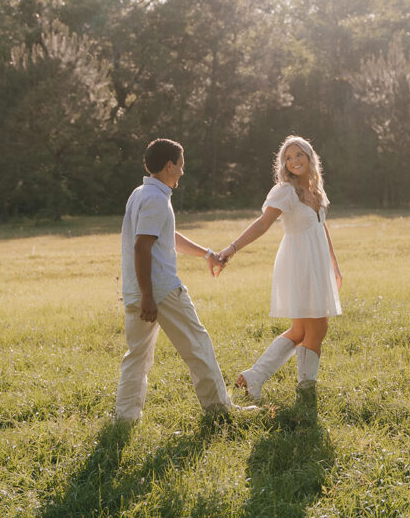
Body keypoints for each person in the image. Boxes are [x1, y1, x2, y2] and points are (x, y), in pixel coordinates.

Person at [115, 138, 253, 421]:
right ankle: (220, 411)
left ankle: (124, 419)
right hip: (160, 290)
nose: (182, 171)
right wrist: (148, 295)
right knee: (198, 345)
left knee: (137, 357)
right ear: (169, 165)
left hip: (137, 290)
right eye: (180, 165)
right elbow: (142, 246)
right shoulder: (155, 198)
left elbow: (167, 236)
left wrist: (207, 254)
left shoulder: (142, 193)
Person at [219, 136, 342, 400]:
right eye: (288, 157)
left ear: (310, 157)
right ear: (284, 164)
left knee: (301, 330)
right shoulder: (285, 191)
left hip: (318, 263)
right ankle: (306, 389)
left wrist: (334, 264)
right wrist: (232, 248)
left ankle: (253, 377)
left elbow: (322, 226)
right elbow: (262, 224)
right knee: (317, 329)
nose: (294, 161)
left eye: (299, 155)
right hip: (299, 263)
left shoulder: (316, 189)